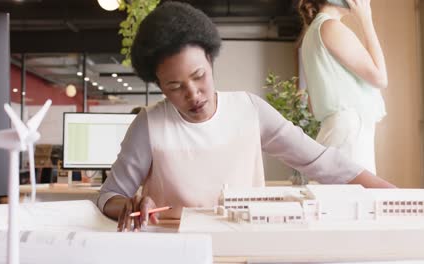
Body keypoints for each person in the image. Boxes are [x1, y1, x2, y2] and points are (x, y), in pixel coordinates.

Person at [98, 2, 395, 232]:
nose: (193, 94)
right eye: (174, 87)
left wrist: (395, 194)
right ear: (159, 85)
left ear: (211, 61)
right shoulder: (149, 125)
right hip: (177, 248)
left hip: (245, 244)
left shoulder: (248, 110)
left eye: (199, 76)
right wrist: (130, 204)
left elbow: (320, 162)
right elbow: (109, 195)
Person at [298, 0, 387, 174]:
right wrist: (366, 20)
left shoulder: (313, 32)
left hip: (337, 130)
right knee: (356, 199)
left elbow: (311, 103)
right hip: (349, 133)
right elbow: (380, 77)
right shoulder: (330, 26)